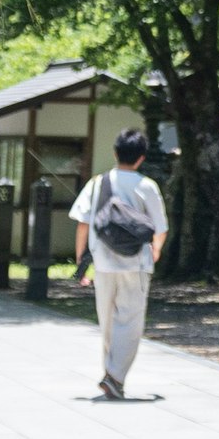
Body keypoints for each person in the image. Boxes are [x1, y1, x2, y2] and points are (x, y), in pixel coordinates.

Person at [69, 129, 167, 399]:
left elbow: (83, 223)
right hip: (136, 263)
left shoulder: (98, 183)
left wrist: (81, 261)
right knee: (130, 322)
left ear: (115, 153)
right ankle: (115, 376)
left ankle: (112, 375)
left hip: (102, 261)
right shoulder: (146, 186)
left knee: (108, 322)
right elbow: (160, 227)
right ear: (141, 158)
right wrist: (155, 251)